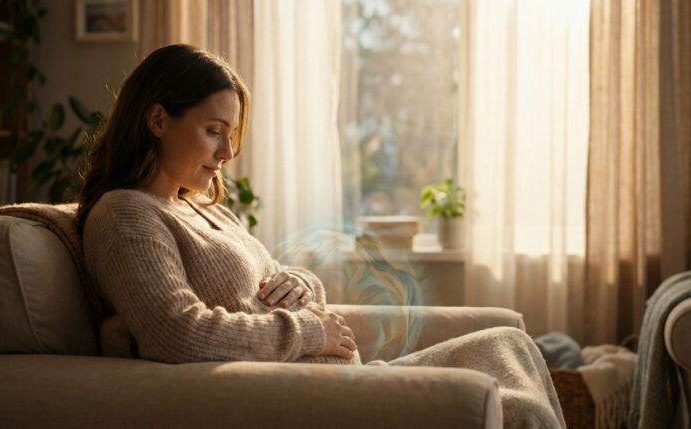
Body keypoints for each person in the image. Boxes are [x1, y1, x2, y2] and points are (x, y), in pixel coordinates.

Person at [79, 44, 565, 427]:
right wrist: (312, 329)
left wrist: (299, 282)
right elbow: (175, 333)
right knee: (516, 409)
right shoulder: (127, 214)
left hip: (346, 375)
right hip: (317, 396)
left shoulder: (203, 208)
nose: (228, 151)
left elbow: (274, 280)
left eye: (231, 134)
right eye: (214, 130)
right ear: (158, 118)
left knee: (508, 343)